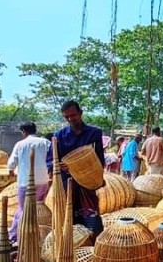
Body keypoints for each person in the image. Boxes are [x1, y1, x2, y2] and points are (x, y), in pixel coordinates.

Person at [49, 100, 105, 238]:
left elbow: (99, 159)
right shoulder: (58, 136)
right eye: (66, 117)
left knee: (91, 216)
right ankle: (72, 242)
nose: (70, 119)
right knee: (68, 214)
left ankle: (93, 242)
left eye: (73, 115)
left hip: (88, 182)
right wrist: (57, 164)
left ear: (80, 113)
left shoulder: (94, 133)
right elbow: (51, 159)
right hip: (67, 183)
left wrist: (99, 177)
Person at [8, 122, 51, 242]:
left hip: (25, 182)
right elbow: (52, 158)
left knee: (24, 209)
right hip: (42, 181)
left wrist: (10, 170)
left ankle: (19, 237)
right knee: (38, 208)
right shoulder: (45, 142)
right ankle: (36, 235)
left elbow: (12, 162)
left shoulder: (20, 144)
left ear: (24, 132)